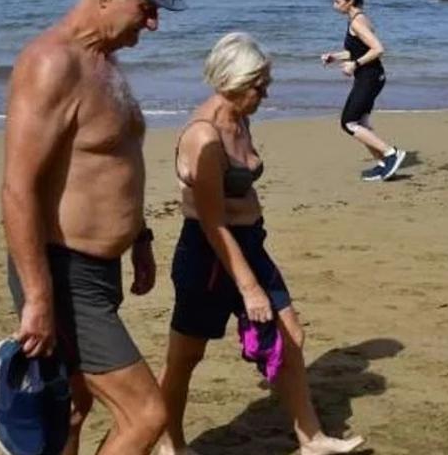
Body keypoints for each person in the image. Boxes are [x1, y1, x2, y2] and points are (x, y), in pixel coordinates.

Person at [0, 0, 185, 455]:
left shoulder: (104, 62)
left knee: (73, 410)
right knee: (146, 415)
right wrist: (39, 298)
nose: (153, 23)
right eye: (146, 7)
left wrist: (140, 235)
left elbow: (111, 163)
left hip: (99, 271)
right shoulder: (51, 63)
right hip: (63, 273)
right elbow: (18, 189)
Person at [156, 33, 365, 455]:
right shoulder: (204, 136)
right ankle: (169, 443)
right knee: (185, 358)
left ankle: (312, 439)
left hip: (251, 244)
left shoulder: (241, 117)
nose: (265, 93)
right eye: (259, 85)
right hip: (210, 255)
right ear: (232, 82)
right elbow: (213, 223)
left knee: (291, 335)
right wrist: (249, 288)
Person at [321, 0, 405, 182]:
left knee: (348, 123)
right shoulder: (358, 19)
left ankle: (391, 153)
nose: (334, 5)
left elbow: (378, 49)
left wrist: (355, 65)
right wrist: (335, 57)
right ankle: (383, 164)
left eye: (337, 1)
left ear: (349, 1)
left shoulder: (357, 22)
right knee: (361, 122)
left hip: (370, 77)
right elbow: (356, 50)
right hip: (371, 76)